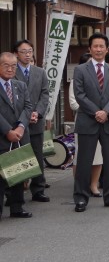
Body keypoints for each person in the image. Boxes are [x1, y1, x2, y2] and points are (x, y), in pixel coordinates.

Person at [72, 33, 109, 212]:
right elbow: (80, 95)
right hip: (88, 120)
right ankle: (80, 198)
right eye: (95, 46)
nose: (98, 49)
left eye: (102, 46)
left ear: (107, 49)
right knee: (84, 161)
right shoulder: (80, 70)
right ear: (90, 48)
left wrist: (106, 112)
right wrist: (96, 112)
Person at [13, 40, 50, 203]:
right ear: (16, 54)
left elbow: (45, 95)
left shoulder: (40, 72)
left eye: (30, 51)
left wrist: (38, 113)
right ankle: (13, 192)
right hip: (16, 123)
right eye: (24, 51)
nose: (28, 54)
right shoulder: (10, 72)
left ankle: (38, 189)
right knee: (16, 156)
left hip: (36, 120)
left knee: (37, 154)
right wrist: (25, 116)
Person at [0, 52, 34, 220]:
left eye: (13, 66)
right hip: (2, 136)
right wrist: (8, 131)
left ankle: (17, 207)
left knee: (18, 172)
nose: (10, 69)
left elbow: (28, 107)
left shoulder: (20, 85)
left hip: (20, 135)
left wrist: (20, 127)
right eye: (6, 65)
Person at [69, 53, 103, 197]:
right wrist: (93, 110)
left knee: (98, 156)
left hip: (101, 120)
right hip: (84, 120)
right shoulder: (77, 78)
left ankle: (94, 185)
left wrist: (102, 112)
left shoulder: (102, 77)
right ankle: (80, 185)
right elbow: (73, 102)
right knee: (81, 156)